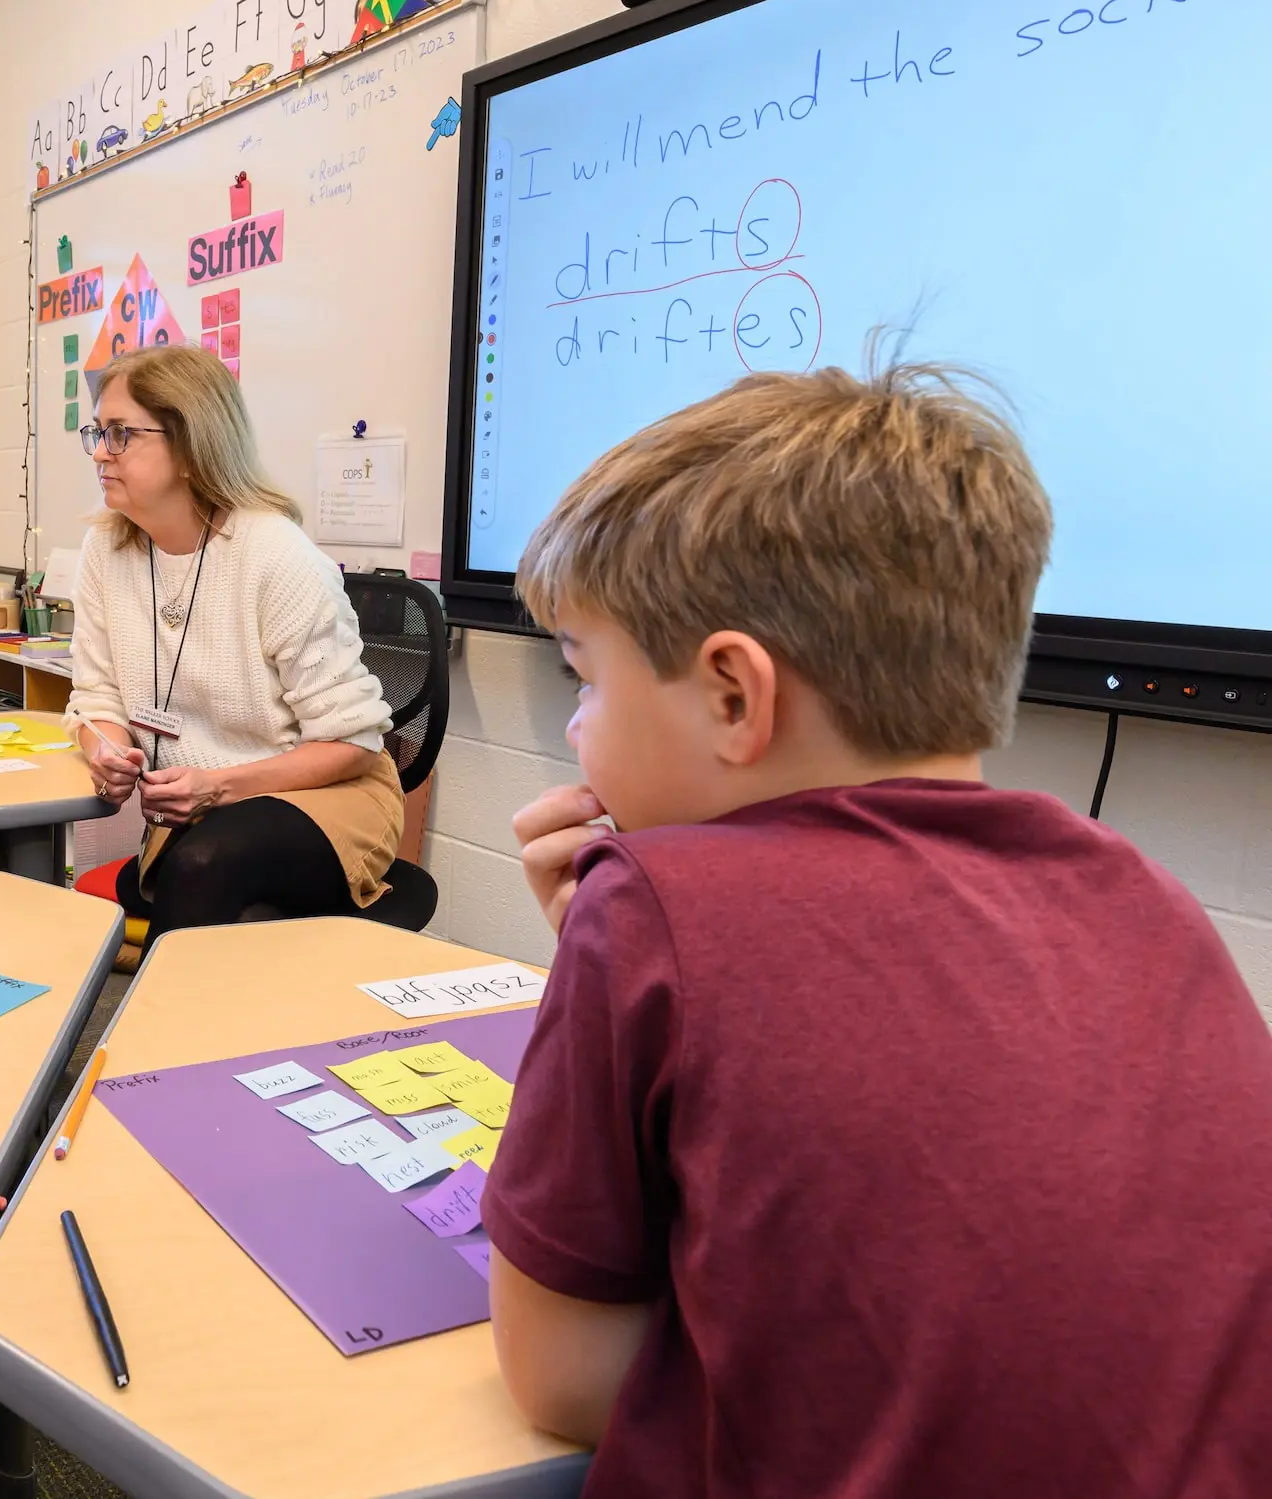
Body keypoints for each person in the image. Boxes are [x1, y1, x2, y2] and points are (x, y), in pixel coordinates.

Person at [481, 360, 1272, 1493]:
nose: (575, 728)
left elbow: (561, 1380)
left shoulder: (648, 903)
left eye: (585, 680)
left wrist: (625, 959)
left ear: (732, 697)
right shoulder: (1144, 891)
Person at [64, 344, 405, 935]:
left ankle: (171, 1027)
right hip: (208, 808)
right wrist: (108, 752)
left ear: (193, 448)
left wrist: (218, 785)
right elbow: (96, 697)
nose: (99, 451)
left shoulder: (277, 555)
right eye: (96, 431)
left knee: (202, 866)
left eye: (121, 433)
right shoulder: (106, 550)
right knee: (198, 868)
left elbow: (354, 742)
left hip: (327, 795)